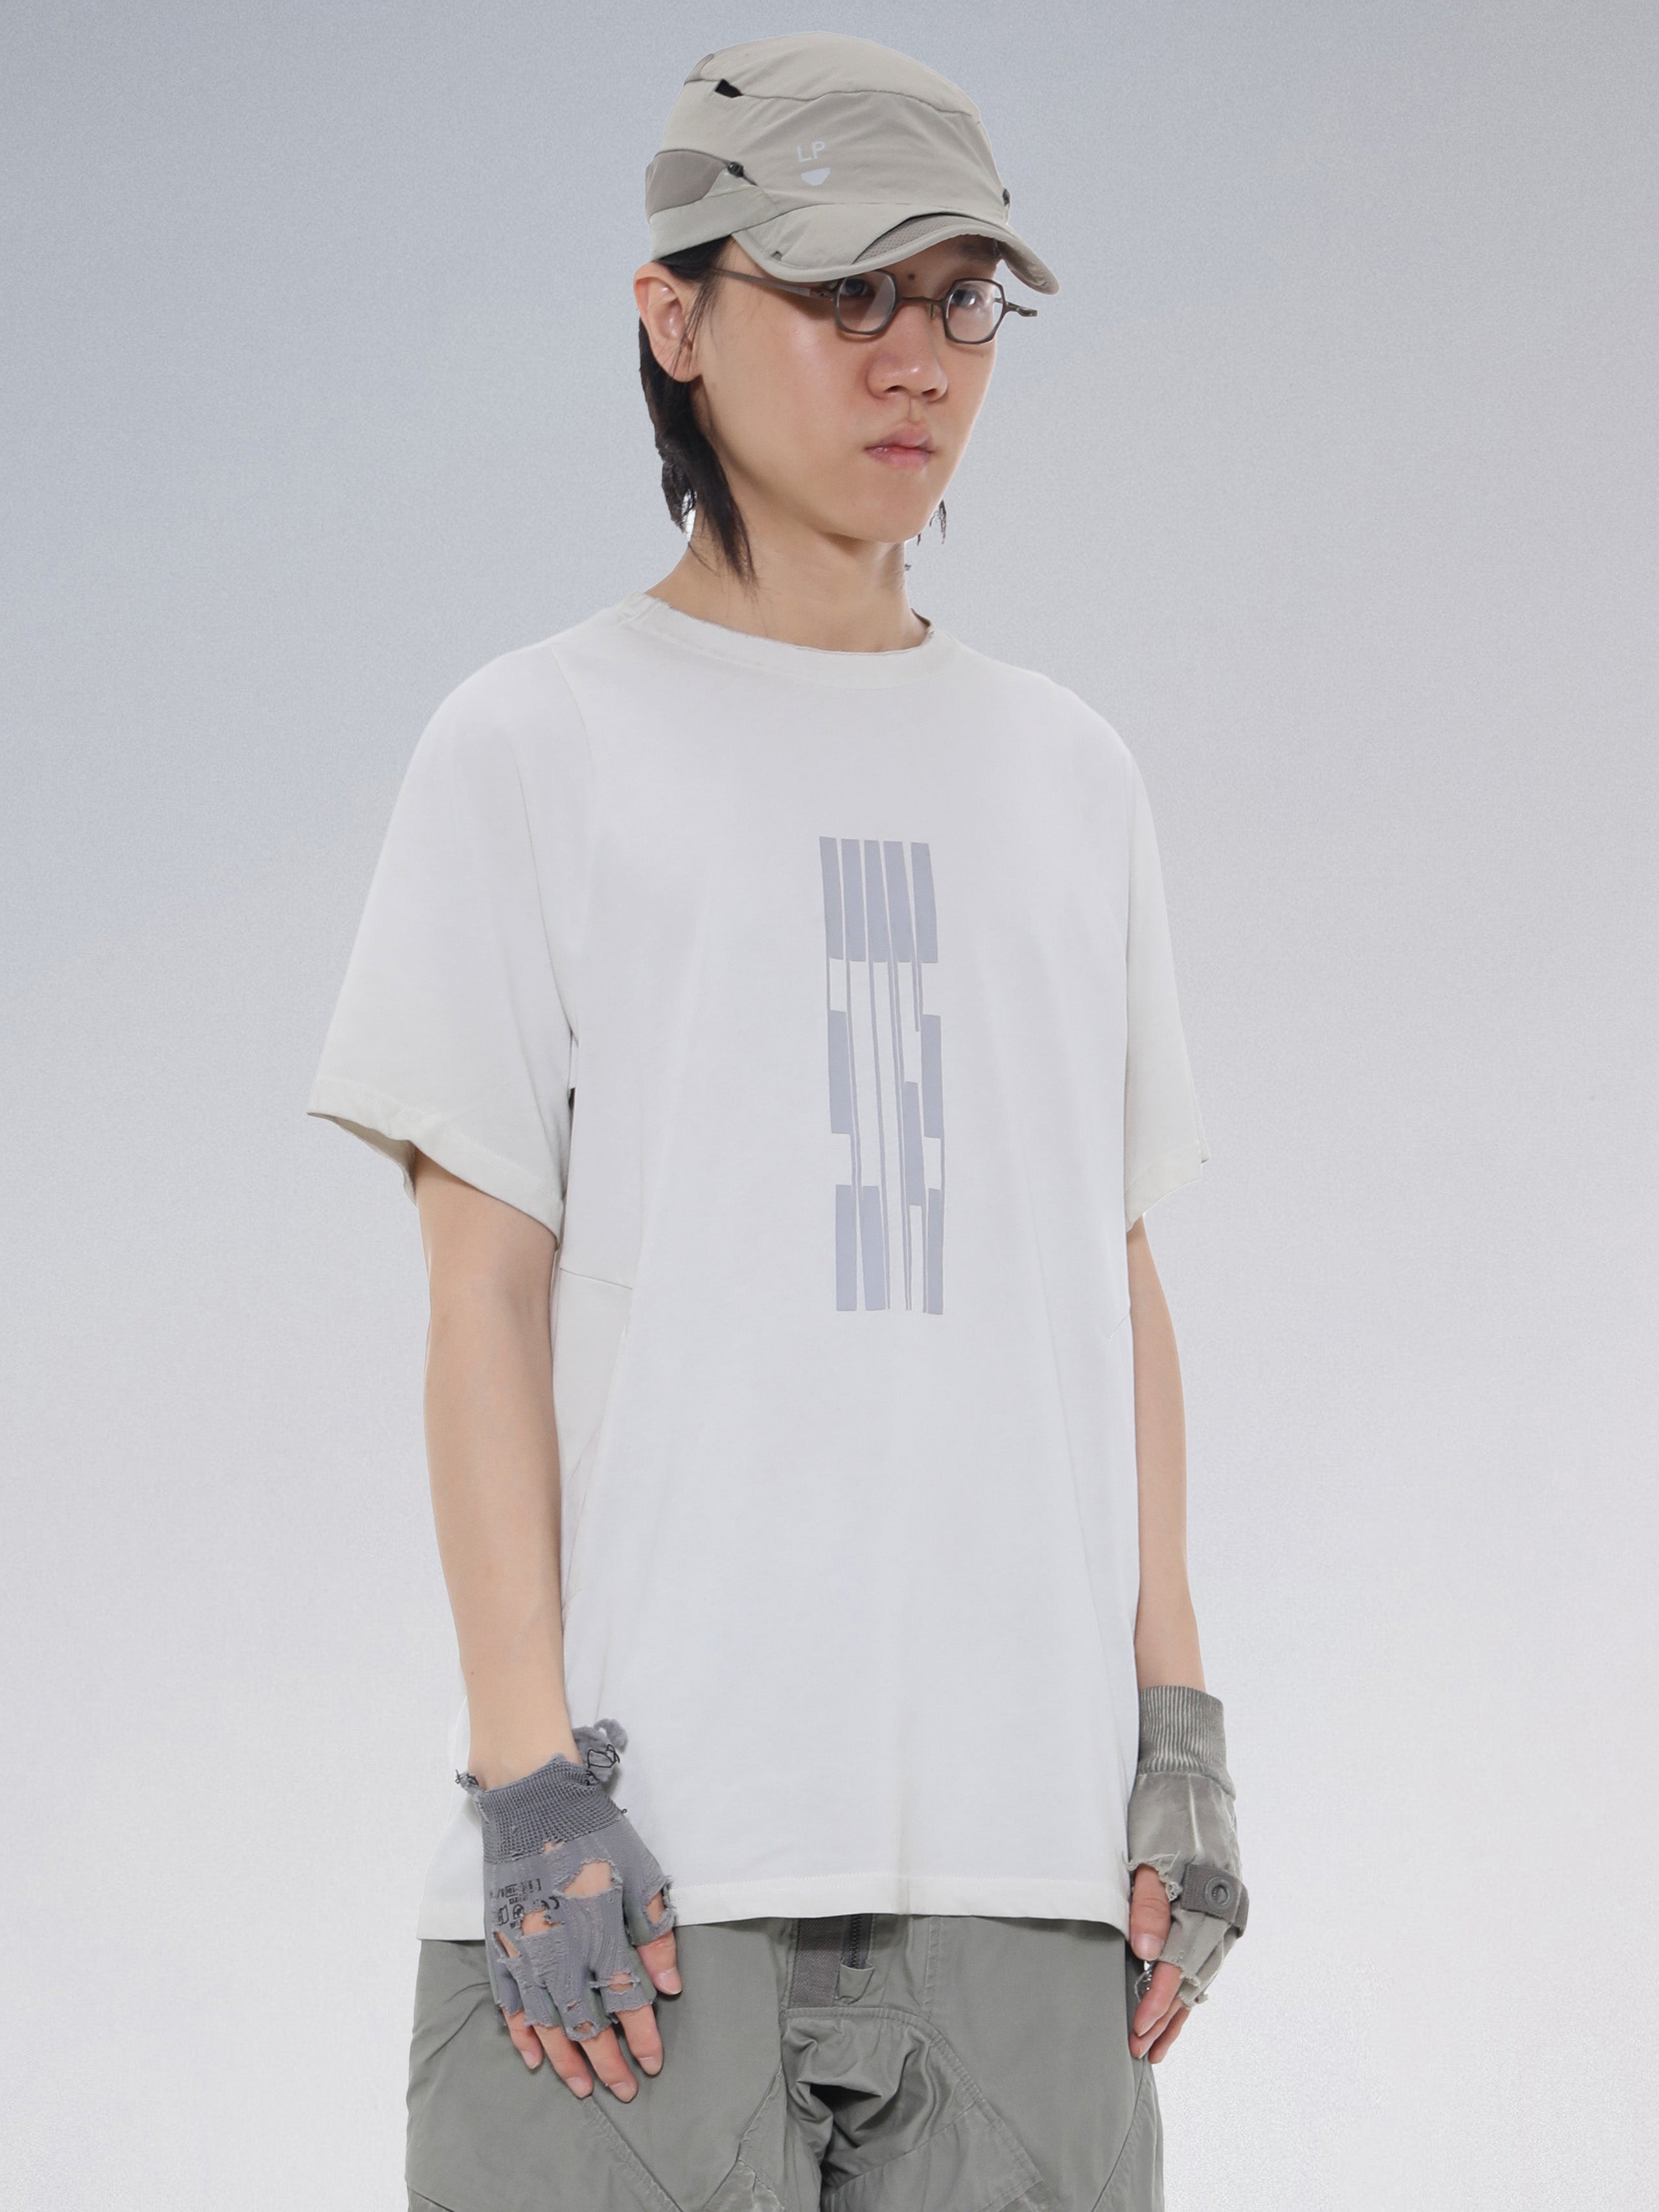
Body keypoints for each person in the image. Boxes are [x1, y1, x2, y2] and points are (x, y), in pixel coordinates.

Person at [309, 32, 1247, 2212]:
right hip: (637, 1893)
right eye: (844, 293)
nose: (915, 360)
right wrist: (528, 1779)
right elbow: (482, 1294)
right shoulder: (535, 744)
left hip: (1022, 1877)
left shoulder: (1069, 775)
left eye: (960, 300)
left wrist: (1178, 1733)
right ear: (674, 316)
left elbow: (1109, 1270)